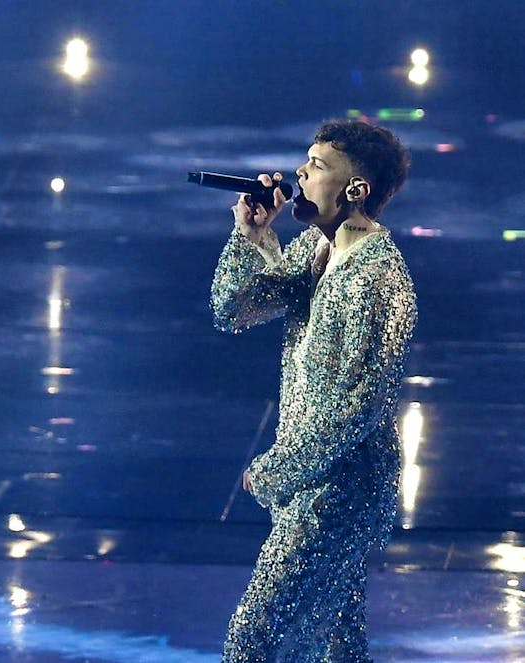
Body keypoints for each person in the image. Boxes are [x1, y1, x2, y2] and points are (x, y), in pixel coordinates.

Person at [210, 119, 417, 661]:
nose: (299, 172)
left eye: (318, 165)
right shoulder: (315, 250)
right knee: (335, 648)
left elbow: (358, 406)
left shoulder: (377, 278)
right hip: (312, 482)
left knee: (254, 644)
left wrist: (276, 471)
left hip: (341, 491)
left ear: (356, 189)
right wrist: (252, 235)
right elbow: (234, 309)